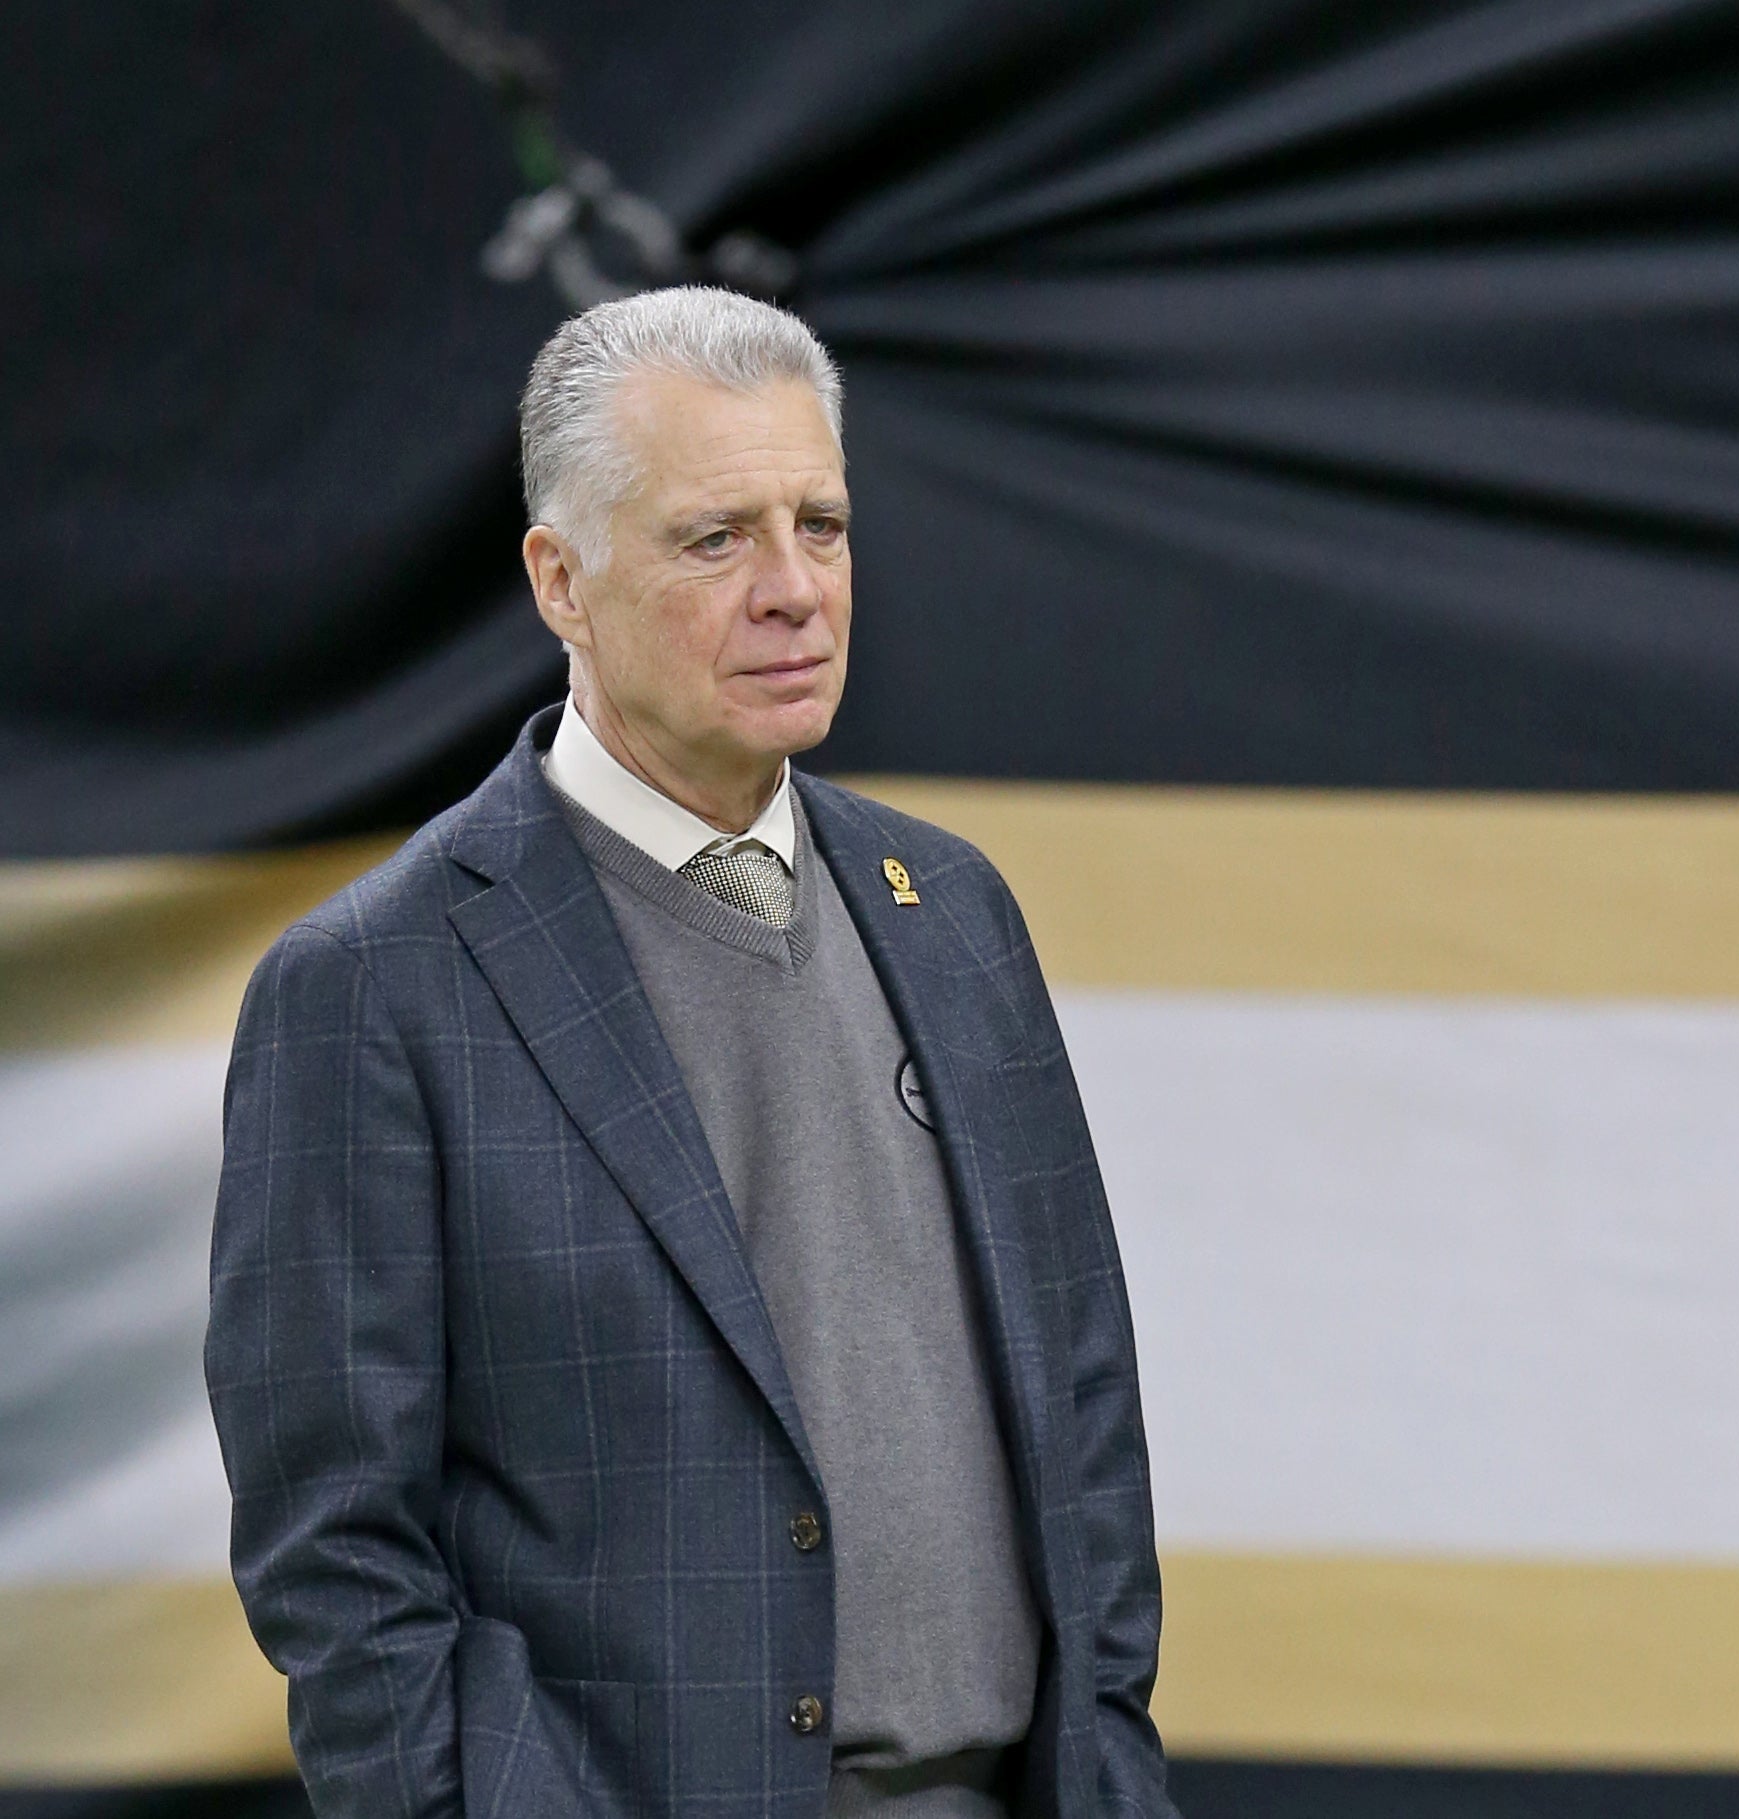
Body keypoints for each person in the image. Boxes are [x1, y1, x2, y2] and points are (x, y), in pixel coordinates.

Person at [206, 288, 1175, 1819]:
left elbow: (1084, 1416)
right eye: (716, 539)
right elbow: (336, 1549)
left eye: (821, 525)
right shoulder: (373, 986)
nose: (794, 589)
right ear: (561, 581)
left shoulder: (954, 912)